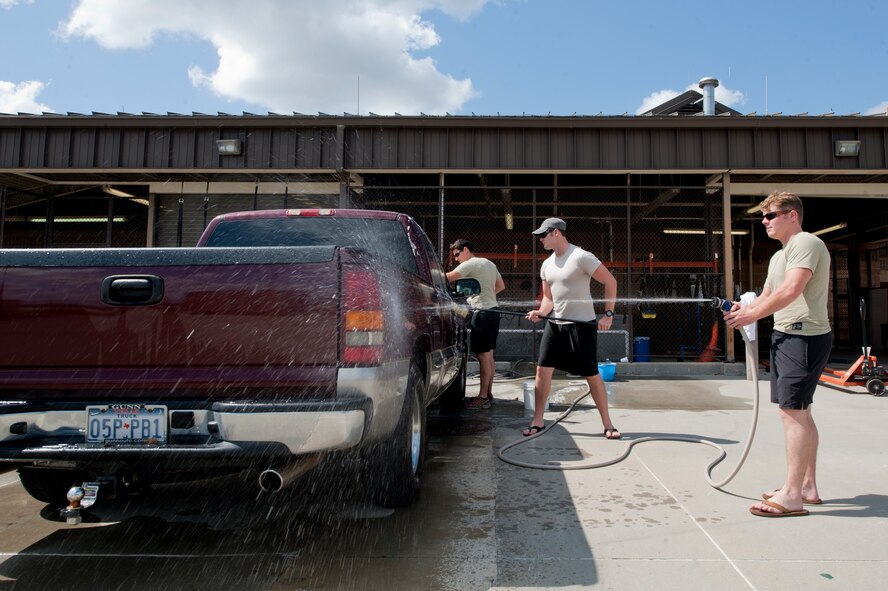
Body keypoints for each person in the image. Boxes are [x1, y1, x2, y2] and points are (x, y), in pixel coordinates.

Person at [724, 192, 832, 518]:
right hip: (787, 338)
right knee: (801, 412)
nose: (764, 221)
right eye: (764, 216)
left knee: (792, 413)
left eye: (770, 215)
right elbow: (769, 294)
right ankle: (807, 487)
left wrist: (753, 316)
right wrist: (747, 308)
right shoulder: (778, 257)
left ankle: (792, 495)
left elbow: (791, 291)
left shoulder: (806, 244)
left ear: (792, 215)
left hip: (803, 337)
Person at [523, 218, 620, 439]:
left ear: (556, 233)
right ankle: (538, 420)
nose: (540, 240)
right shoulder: (546, 264)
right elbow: (549, 299)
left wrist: (608, 314)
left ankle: (607, 423)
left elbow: (611, 281)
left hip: (581, 326)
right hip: (556, 325)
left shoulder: (581, 257)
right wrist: (541, 312)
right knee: (542, 370)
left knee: (591, 374)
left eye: (543, 235)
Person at [446, 239, 505, 409]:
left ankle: (482, 397)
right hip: (494, 312)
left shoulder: (470, 263)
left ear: (464, 250)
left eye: (457, 254)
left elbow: (448, 278)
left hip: (482, 314)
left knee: (483, 356)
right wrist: (484, 294)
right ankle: (488, 393)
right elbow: (500, 286)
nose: (456, 259)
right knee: (489, 355)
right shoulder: (488, 263)